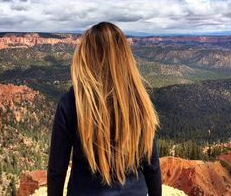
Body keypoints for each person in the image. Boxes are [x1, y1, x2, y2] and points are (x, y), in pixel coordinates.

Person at [47, 22, 162, 196]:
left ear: (86, 55)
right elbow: (152, 167)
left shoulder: (71, 102)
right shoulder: (139, 101)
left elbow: (57, 170)